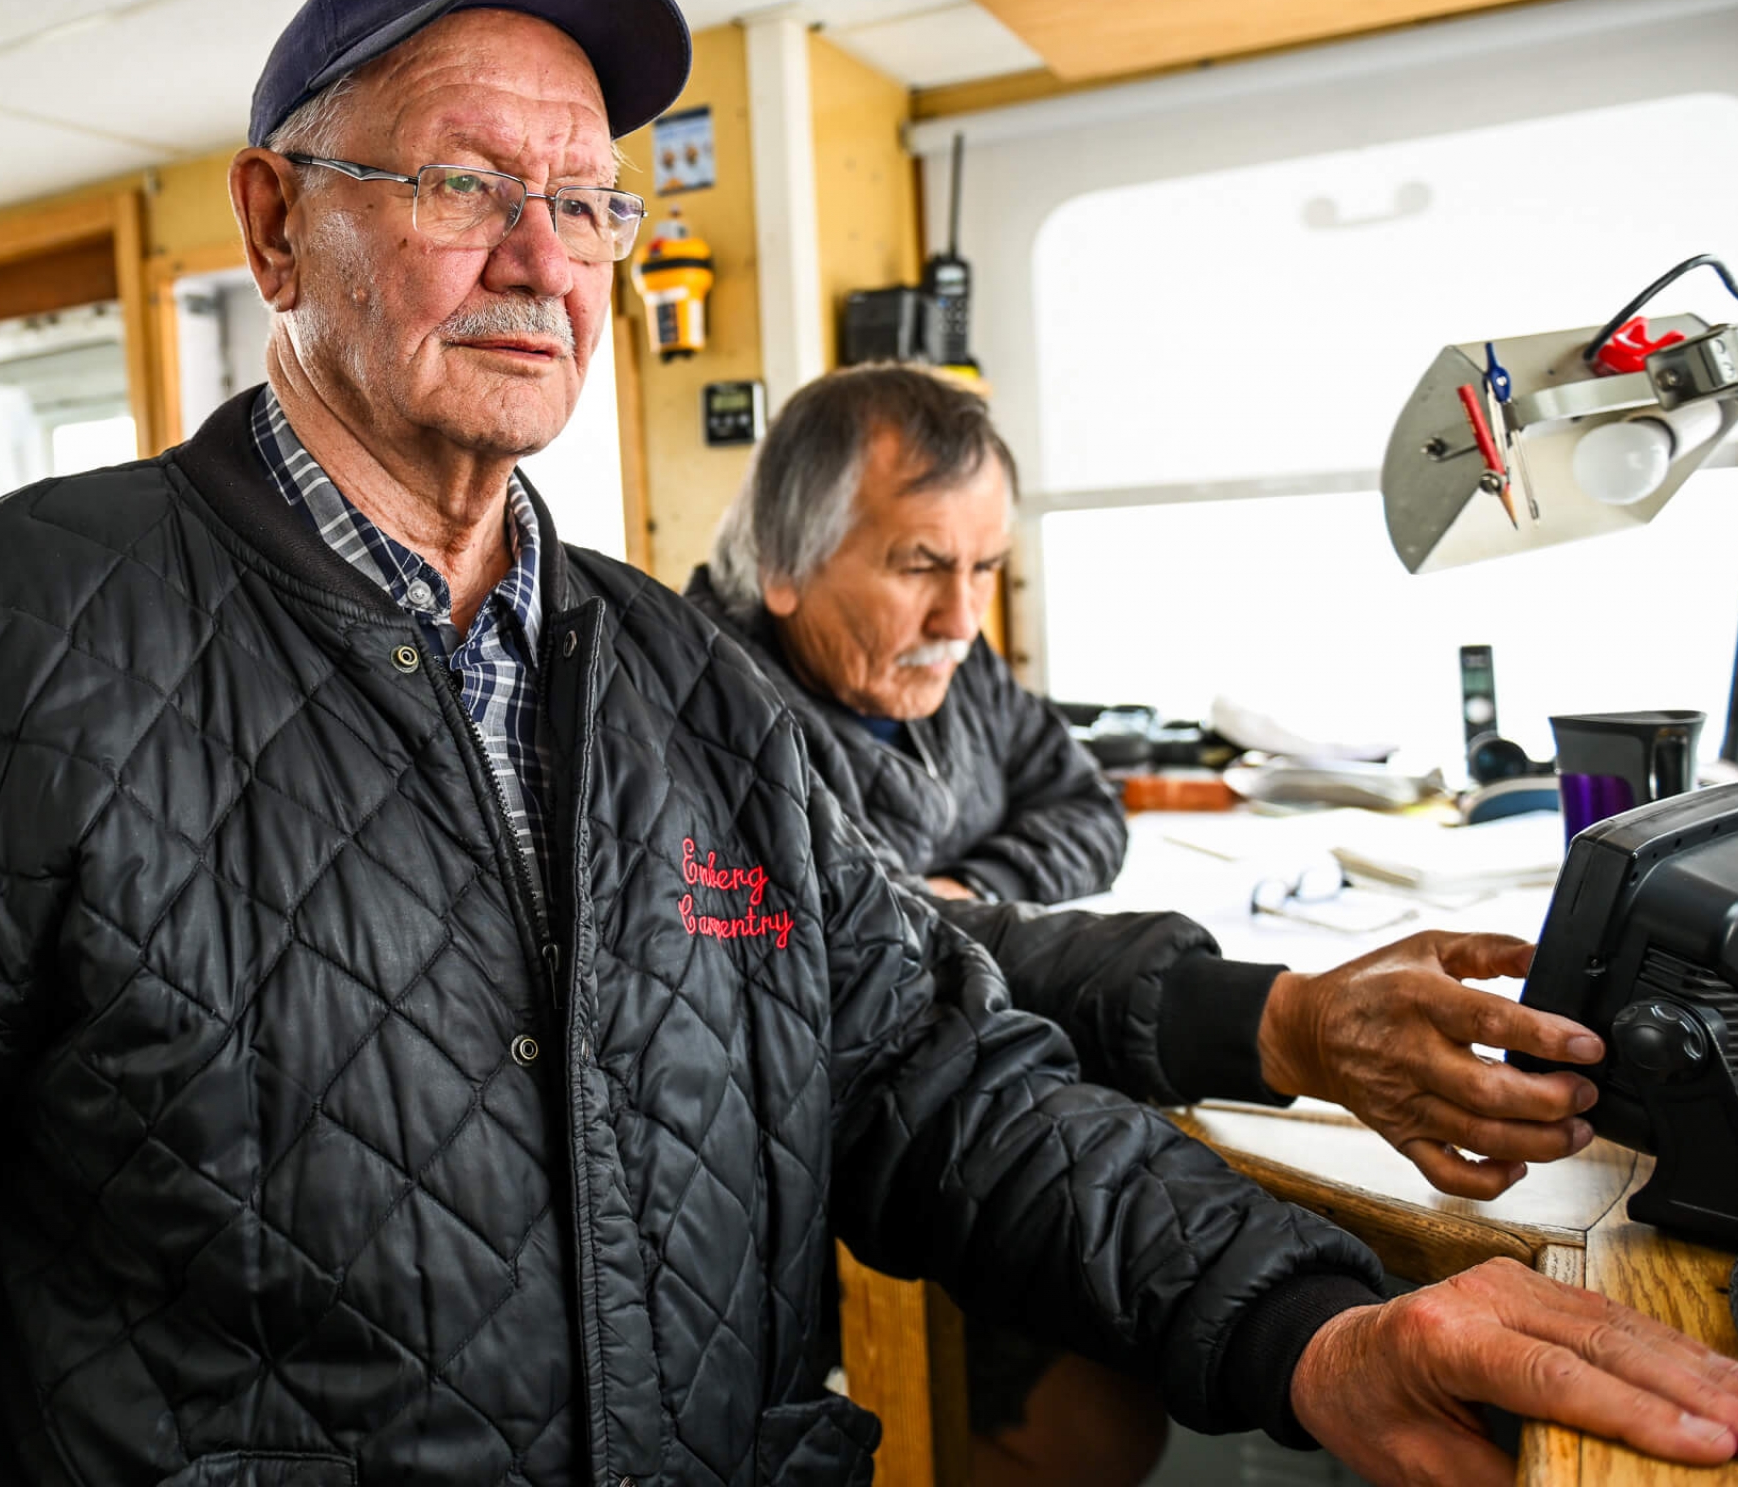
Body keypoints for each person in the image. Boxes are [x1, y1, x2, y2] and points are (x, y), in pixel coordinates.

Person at [0, 0, 1738, 1487]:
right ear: (276, 225)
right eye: (462, 181)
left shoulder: (669, 686)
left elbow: (937, 1073)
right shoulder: (12, 636)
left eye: (581, 201)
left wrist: (1302, 1320)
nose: (542, 252)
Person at [686, 362, 1639, 1482]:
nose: (960, 616)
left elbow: (1080, 808)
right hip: (858, 1197)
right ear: (788, 567)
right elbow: (887, 977)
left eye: (985, 567)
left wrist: (962, 897)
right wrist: (950, 923)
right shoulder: (722, 732)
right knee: (1102, 1430)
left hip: (1005, 1083)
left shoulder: (952, 663)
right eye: (920, 566)